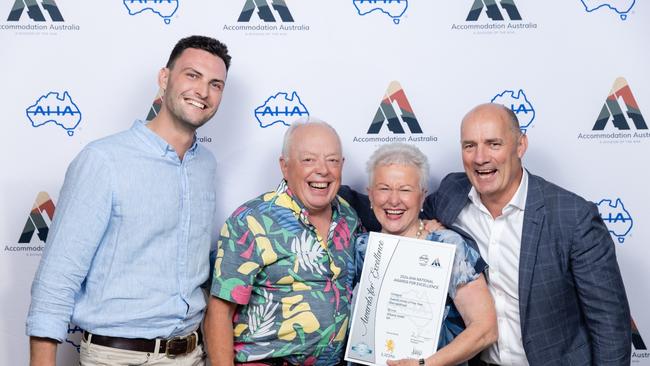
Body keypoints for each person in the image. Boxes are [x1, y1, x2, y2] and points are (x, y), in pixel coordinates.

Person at [26, 35, 231, 366]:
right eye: (192, 75)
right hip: (119, 357)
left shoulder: (205, 165)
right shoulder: (103, 161)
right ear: (164, 79)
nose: (203, 91)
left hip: (192, 355)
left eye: (216, 84)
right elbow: (57, 277)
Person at [423, 103, 631, 365]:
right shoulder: (450, 193)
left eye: (493, 144)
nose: (480, 157)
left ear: (520, 146)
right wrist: (427, 227)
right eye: (469, 146)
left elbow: (610, 327)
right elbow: (401, 212)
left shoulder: (572, 217)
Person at [206, 119, 363, 365]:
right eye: (308, 159)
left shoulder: (349, 217)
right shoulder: (251, 220)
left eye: (332, 160)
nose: (322, 169)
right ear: (285, 166)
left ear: (342, 166)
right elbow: (219, 312)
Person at [352, 143, 497, 366]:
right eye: (383, 188)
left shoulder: (448, 246)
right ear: (370, 195)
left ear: (422, 196)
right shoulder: (359, 248)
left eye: (405, 189)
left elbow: (485, 329)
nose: (393, 200)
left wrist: (425, 364)